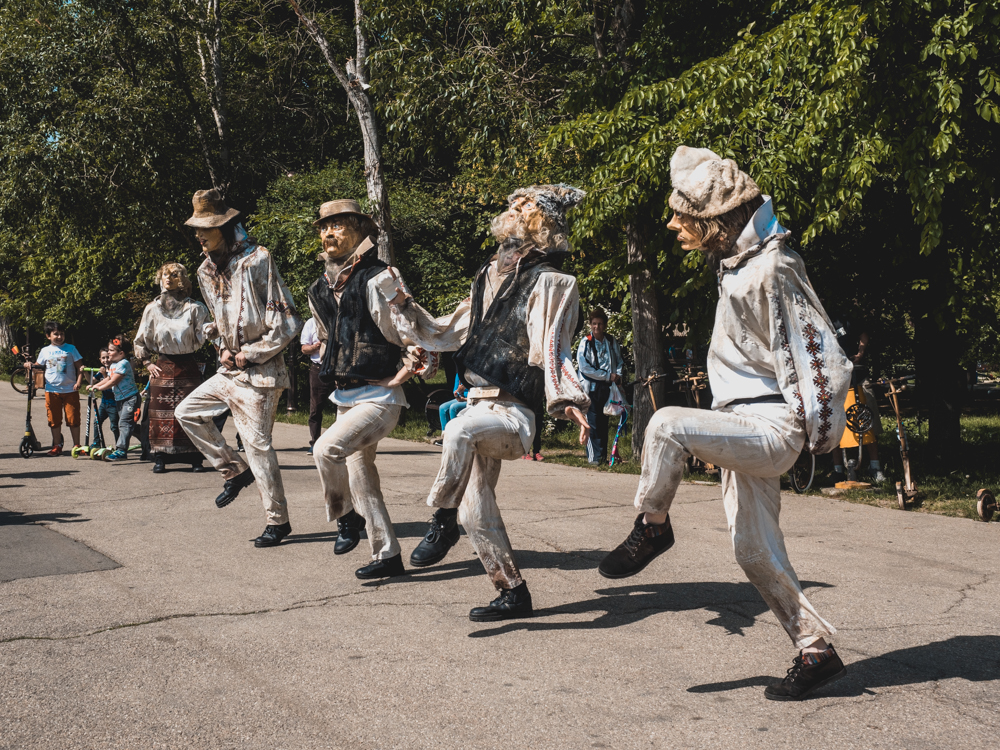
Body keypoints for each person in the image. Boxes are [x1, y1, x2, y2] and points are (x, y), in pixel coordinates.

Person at [597, 146, 852, 701]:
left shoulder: (774, 266)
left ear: (713, 220)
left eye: (681, 215)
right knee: (752, 551)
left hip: (771, 427)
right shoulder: (740, 265)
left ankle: (653, 526)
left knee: (664, 424)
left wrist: (821, 432)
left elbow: (818, 352)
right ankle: (814, 649)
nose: (672, 224)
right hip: (740, 425)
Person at [389, 184, 591, 621]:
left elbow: (552, 345)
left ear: (545, 221)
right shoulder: (488, 274)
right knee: (476, 512)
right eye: (514, 204)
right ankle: (512, 592)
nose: (514, 210)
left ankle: (440, 519)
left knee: (457, 430)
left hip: (513, 413)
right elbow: (450, 329)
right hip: (476, 405)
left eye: (527, 207)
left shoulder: (553, 280)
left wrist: (570, 397)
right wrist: (406, 308)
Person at [174, 189, 303, 548]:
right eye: (197, 228)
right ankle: (234, 471)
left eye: (207, 228)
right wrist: (221, 347)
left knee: (258, 445)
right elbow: (217, 320)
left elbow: (287, 320)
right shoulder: (203, 269)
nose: (199, 235)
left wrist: (251, 353)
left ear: (226, 226)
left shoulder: (257, 259)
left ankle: (278, 522)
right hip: (229, 370)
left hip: (261, 373)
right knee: (187, 412)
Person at [308, 198, 429, 577]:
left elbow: (414, 335)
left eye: (339, 225)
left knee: (325, 449)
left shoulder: (380, 277)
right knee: (362, 479)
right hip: (346, 394)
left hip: (379, 397)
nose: (329, 232)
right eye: (325, 226)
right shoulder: (318, 288)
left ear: (360, 230)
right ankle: (387, 556)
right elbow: (329, 338)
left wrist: (401, 375)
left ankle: (345, 519)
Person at [134, 263, 211, 473]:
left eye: (174, 275)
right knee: (160, 415)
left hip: (188, 366)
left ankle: (196, 459)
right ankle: (160, 458)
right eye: (165, 275)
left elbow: (207, 334)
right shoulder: (152, 309)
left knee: (192, 413)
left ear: (183, 279)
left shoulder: (195, 308)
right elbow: (140, 340)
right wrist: (147, 362)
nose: (168, 279)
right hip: (163, 365)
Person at [828, 312, 884, 484]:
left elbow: (863, 336)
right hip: (834, 378)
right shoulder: (820, 321)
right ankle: (837, 470)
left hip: (857, 375)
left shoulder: (844, 319)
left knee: (867, 418)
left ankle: (875, 467)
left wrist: (860, 354)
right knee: (835, 423)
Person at [576, 308, 625, 464]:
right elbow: (584, 367)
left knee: (604, 422)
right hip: (591, 387)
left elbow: (619, 361)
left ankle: (603, 456)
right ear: (590, 325)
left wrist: (618, 375)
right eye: (594, 324)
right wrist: (605, 376)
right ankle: (594, 457)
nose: (597, 327)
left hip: (608, 388)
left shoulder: (611, 341)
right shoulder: (586, 342)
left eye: (600, 324)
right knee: (593, 421)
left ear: (605, 325)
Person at [31, 320, 84, 455]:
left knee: (73, 419)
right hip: (52, 391)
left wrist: (78, 382)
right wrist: (29, 366)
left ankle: (76, 445)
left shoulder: (71, 349)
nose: (59, 337)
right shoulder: (45, 351)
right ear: (48, 336)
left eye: (61, 334)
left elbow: (80, 367)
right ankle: (57, 445)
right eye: (56, 334)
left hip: (70, 390)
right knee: (54, 420)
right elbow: (37, 367)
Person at [90, 336, 140, 461]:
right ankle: (147, 438)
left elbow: (113, 382)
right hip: (120, 400)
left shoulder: (123, 364)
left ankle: (121, 450)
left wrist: (99, 389)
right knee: (129, 425)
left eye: (111, 350)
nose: (108, 352)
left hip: (130, 399)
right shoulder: (113, 365)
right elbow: (108, 378)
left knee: (124, 423)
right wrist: (95, 385)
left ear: (121, 353)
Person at [300, 315, 334, 455]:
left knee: (343, 406)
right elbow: (304, 349)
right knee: (316, 408)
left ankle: (338, 442)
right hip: (318, 368)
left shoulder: (336, 319)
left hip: (337, 369)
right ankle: (315, 442)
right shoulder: (311, 323)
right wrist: (315, 347)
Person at [94, 347, 120, 449]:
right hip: (104, 403)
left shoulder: (114, 369)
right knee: (96, 422)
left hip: (114, 403)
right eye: (103, 358)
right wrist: (84, 372)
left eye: (107, 357)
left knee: (114, 426)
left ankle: (119, 446)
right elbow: (91, 381)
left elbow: (110, 383)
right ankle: (96, 443)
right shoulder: (101, 371)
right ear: (100, 359)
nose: (106, 360)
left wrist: (104, 374)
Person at [437, 374, 468, 439]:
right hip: (460, 398)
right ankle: (445, 436)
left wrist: (463, 399)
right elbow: (455, 392)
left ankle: (455, 435)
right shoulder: (459, 374)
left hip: (470, 399)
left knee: (454, 407)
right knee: (443, 407)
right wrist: (458, 392)